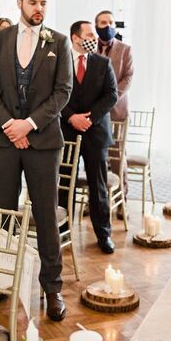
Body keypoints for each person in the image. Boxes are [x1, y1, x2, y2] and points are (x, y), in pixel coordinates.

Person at [0, 0, 72, 321]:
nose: (39, 8)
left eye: (43, 2)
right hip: (4, 141)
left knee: (45, 214)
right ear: (19, 3)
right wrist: (9, 126)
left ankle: (52, 287)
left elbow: (63, 91)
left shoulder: (58, 42)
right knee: (3, 212)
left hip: (43, 141)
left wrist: (28, 124)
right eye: (32, 2)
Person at [61, 21, 117, 254]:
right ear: (75, 38)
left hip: (96, 133)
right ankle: (62, 230)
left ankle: (103, 234)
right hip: (66, 132)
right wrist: (71, 117)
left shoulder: (103, 63)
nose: (94, 37)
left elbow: (111, 95)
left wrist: (90, 118)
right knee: (64, 184)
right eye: (90, 34)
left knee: (98, 186)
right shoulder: (59, 63)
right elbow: (52, 94)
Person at [94, 11, 134, 205]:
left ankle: (121, 199)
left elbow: (128, 77)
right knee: (96, 156)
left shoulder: (125, 49)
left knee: (118, 156)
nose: (107, 26)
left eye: (110, 22)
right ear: (96, 26)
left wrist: (110, 99)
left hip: (117, 110)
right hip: (94, 112)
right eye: (103, 22)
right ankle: (97, 198)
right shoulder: (90, 48)